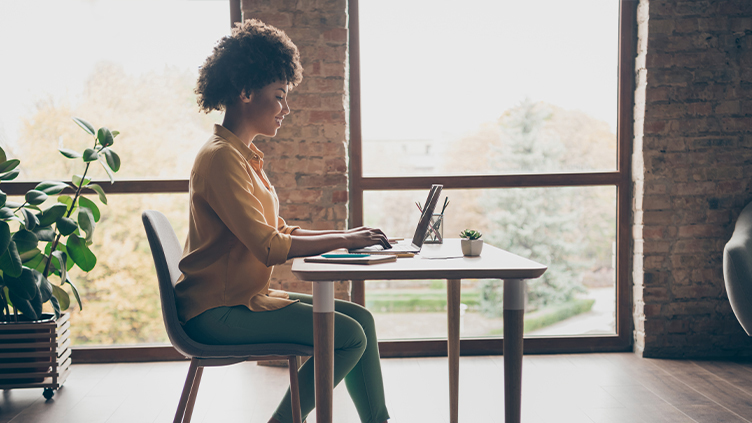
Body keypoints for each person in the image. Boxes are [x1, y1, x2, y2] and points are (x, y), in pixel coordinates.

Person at [175, 19, 391, 423]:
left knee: (361, 318)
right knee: (348, 337)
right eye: (279, 97)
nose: (286, 110)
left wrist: (348, 238)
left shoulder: (243, 156)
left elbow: (280, 231)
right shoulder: (222, 158)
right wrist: (343, 236)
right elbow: (269, 247)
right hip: (216, 313)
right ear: (245, 93)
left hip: (240, 302)